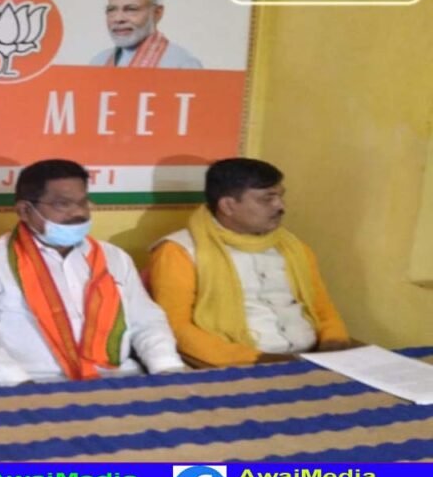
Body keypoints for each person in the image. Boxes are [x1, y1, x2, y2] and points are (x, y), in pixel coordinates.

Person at [0, 159, 184, 386]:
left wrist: (167, 368)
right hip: (34, 383)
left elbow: (147, 321)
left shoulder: (113, 257)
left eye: (83, 202)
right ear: (24, 210)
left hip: (119, 379)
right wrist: (17, 381)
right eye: (63, 204)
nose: (78, 213)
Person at [147, 158, 353, 368]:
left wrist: (334, 344)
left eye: (281, 196)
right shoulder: (179, 251)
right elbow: (175, 326)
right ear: (228, 206)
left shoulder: (293, 247)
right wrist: (258, 360)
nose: (280, 206)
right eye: (267, 199)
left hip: (314, 356)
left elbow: (322, 307)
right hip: (239, 364)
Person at [89, 0, 202, 69]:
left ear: (157, 13)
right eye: (111, 10)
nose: (118, 19)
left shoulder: (182, 64)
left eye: (131, 9)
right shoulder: (99, 62)